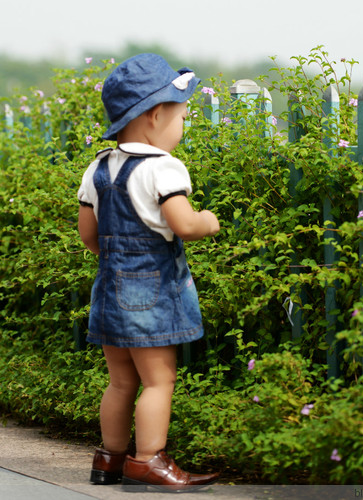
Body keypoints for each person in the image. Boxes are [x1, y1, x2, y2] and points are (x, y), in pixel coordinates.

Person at [77, 53, 220, 493]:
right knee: (159, 380)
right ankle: (148, 461)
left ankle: (110, 459)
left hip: (109, 287)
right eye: (180, 118)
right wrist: (207, 221)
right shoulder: (162, 167)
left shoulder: (98, 167)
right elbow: (182, 223)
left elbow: (89, 235)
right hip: (151, 291)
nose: (180, 129)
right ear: (156, 115)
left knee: (120, 381)